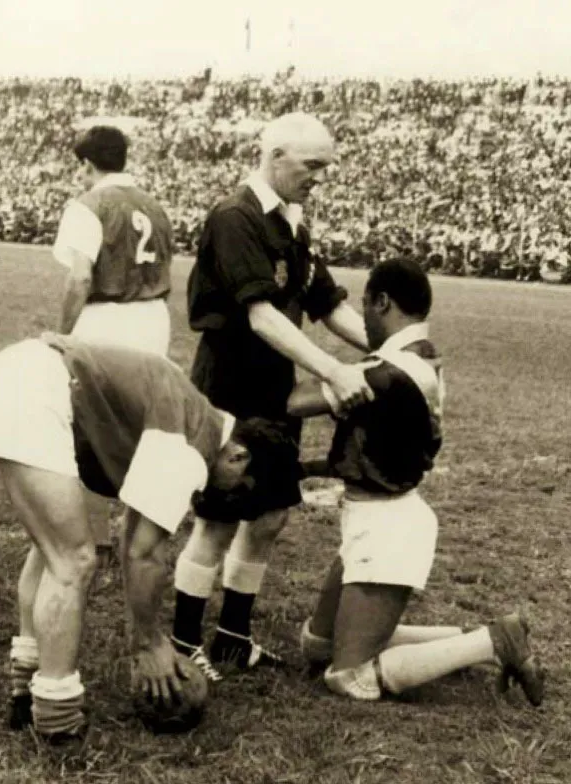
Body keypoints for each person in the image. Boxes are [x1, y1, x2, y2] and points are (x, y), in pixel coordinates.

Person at [0, 332, 291, 744]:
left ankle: (25, 691)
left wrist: (144, 637)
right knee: (73, 560)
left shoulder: (189, 411)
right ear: (239, 455)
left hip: (10, 374)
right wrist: (148, 643)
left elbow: (133, 533)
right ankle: (56, 718)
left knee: (49, 552)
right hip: (32, 389)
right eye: (240, 489)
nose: (226, 498)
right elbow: (144, 553)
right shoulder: (190, 438)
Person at [289, 258, 544, 706]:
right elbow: (375, 453)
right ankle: (461, 638)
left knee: (349, 676)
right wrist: (309, 468)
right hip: (377, 517)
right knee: (316, 644)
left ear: (383, 302)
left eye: (365, 305)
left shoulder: (391, 373)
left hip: (388, 529)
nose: (362, 318)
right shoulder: (418, 357)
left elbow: (293, 402)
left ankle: (492, 643)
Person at [171, 112, 371, 681]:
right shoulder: (235, 218)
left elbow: (327, 303)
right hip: (230, 392)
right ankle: (185, 644)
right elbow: (260, 315)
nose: (320, 177)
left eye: (325, 168)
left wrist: (393, 350)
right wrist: (334, 370)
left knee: (269, 516)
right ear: (275, 155)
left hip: (275, 393)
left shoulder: (292, 223)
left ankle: (234, 637)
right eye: (312, 166)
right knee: (217, 520)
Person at [52, 125, 175, 572]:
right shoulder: (155, 206)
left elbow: (80, 276)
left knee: (89, 424)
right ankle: (138, 537)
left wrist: (63, 332)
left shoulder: (89, 205)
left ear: (87, 164)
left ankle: (98, 538)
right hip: (152, 317)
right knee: (141, 427)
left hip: (108, 317)